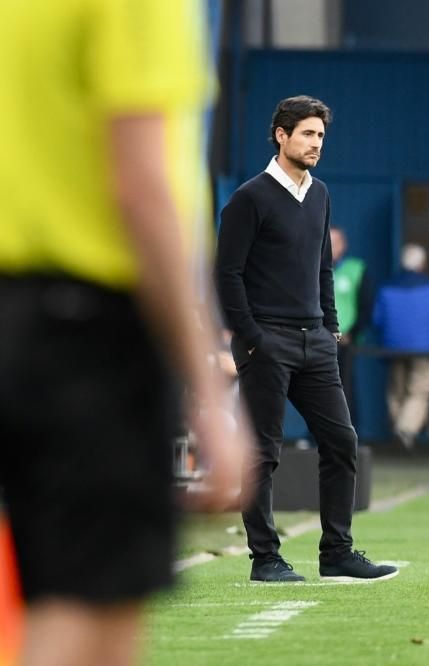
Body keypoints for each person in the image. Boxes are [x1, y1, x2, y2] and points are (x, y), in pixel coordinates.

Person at [0, 2, 252, 664]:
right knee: (88, 614)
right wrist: (208, 384)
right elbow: (141, 184)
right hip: (92, 328)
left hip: (20, 313)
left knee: (70, 604)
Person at [216, 96, 397, 583]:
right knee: (264, 451)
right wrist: (251, 338)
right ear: (281, 134)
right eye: (307, 134)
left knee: (341, 441)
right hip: (266, 341)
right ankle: (265, 558)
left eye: (320, 135)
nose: (316, 143)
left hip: (315, 340)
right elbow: (226, 274)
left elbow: (323, 266)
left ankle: (337, 552)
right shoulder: (250, 197)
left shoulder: (319, 194)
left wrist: (330, 326)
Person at [372, 243, 429, 450]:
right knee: (420, 391)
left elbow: (376, 319)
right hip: (426, 349)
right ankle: (405, 430)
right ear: (422, 264)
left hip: (393, 348)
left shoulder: (386, 286)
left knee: (396, 390)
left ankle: (399, 430)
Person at [329, 225, 373, 416]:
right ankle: (315, 435)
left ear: (343, 245)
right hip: (319, 339)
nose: (330, 247)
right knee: (315, 388)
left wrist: (352, 334)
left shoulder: (357, 269)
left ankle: (352, 433)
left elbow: (366, 305)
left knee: (345, 385)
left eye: (335, 242)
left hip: (346, 340)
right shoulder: (312, 268)